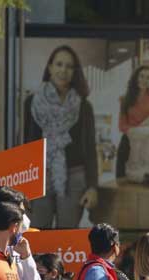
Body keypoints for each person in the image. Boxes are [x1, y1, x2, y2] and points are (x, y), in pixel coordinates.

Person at [24, 45, 98, 228]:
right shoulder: (32, 102)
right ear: (50, 68)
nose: (63, 70)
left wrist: (92, 187)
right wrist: (23, 185)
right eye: (59, 64)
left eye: (69, 66)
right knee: (37, 234)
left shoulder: (83, 106)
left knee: (67, 236)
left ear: (74, 72)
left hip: (74, 179)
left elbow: (90, 148)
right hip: (39, 176)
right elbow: (25, 144)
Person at [117, 65, 149, 178]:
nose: (144, 80)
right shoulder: (124, 99)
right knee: (122, 178)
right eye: (141, 76)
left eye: (148, 77)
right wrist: (140, 127)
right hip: (129, 142)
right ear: (136, 77)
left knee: (147, 178)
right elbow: (122, 126)